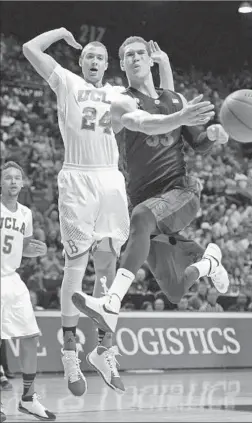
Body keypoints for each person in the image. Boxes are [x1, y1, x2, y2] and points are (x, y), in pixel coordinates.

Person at [23, 29, 174, 396]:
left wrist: (162, 65)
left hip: (110, 179)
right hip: (76, 177)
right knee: (76, 265)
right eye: (89, 56)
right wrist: (62, 34)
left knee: (109, 265)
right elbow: (30, 48)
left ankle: (104, 348)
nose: (93, 61)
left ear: (109, 65)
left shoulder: (119, 94)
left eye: (100, 57)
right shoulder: (66, 81)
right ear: (81, 61)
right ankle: (69, 350)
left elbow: (163, 105)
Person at [72, 36, 230, 334]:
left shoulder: (174, 99)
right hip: (145, 201)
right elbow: (145, 123)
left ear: (149, 60)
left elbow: (197, 143)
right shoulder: (122, 101)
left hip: (180, 191)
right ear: (122, 64)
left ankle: (111, 302)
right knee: (174, 290)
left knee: (142, 218)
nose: (135, 58)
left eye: (140, 53)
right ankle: (208, 263)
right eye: (128, 55)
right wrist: (180, 116)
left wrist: (213, 135)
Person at [0, 161, 55, 421]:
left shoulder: (26, 213)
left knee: (30, 337)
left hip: (12, 278)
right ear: (1, 183)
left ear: (22, 184)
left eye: (16, 178)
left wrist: (33, 251)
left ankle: (28, 399)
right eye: (7, 177)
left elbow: (22, 249)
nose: (12, 181)